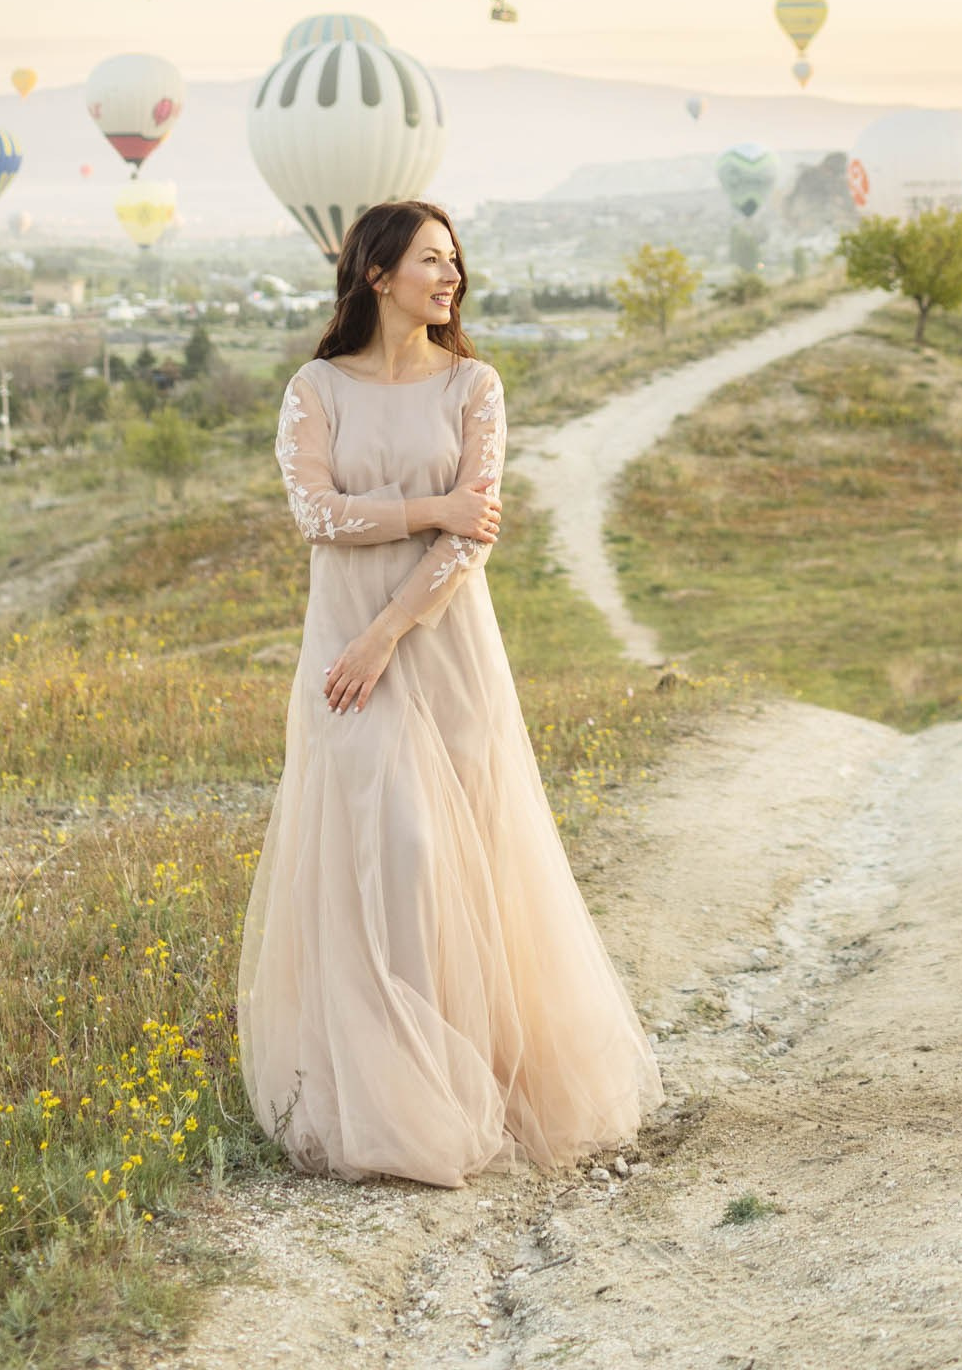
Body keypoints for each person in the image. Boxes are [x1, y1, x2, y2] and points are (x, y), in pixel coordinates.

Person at [240, 200, 660, 1185]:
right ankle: (395, 1093)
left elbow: (473, 541)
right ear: (376, 274)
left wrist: (389, 631)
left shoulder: (476, 387)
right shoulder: (317, 389)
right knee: (395, 853)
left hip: (439, 652)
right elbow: (317, 515)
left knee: (465, 860)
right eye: (431, 260)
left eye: (456, 262)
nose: (451, 277)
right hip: (343, 668)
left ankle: (476, 1079)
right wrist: (429, 508)